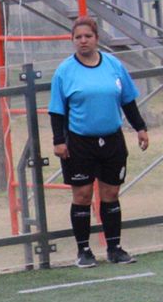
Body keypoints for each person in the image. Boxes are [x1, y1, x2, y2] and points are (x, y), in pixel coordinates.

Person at [48, 17, 149, 268]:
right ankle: (84, 251)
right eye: (78, 37)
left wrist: (140, 128)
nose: (83, 41)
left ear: (96, 39)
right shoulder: (64, 71)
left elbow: (128, 100)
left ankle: (114, 248)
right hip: (80, 142)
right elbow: (56, 110)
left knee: (111, 193)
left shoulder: (113, 65)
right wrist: (58, 141)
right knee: (82, 195)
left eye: (88, 36)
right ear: (72, 40)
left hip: (112, 140)